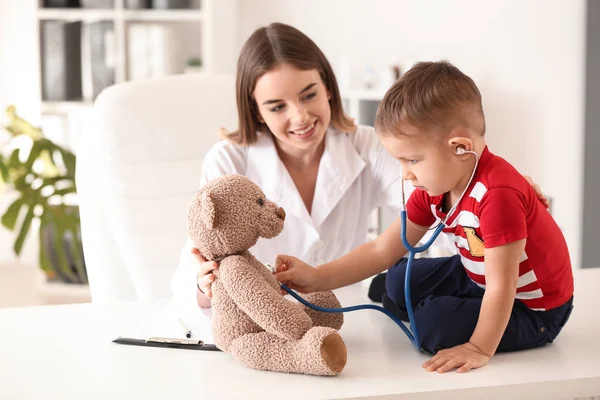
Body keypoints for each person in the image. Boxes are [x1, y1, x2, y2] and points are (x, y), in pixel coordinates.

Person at [171, 23, 549, 311]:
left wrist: (496, 197)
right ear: (255, 109)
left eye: (309, 95)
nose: (301, 116)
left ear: (329, 87)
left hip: (351, 313)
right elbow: (196, 258)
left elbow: (441, 200)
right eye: (277, 106)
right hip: (262, 318)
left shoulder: (366, 146)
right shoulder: (229, 161)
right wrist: (203, 285)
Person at [274, 61, 573, 374]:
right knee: (395, 277)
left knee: (432, 326)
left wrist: (479, 348)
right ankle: (404, 298)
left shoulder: (498, 195)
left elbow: (502, 287)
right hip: (477, 273)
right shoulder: (438, 187)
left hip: (532, 308)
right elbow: (381, 250)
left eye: (412, 159)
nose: (406, 174)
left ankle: (417, 308)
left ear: (460, 148)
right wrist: (317, 277)